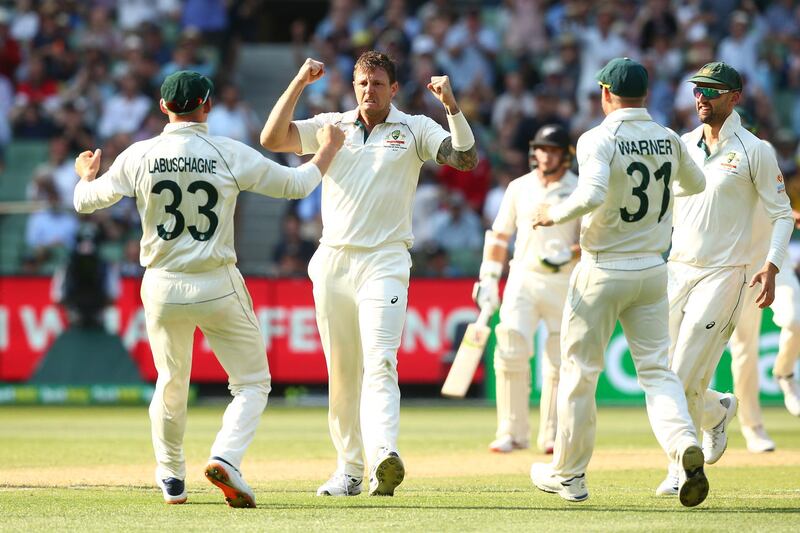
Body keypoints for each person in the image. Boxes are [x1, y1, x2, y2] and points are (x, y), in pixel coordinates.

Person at [73, 70, 344, 507]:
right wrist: (327, 150)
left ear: (163, 107)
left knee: (171, 382)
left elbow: (84, 202)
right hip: (216, 281)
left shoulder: (139, 155)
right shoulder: (227, 152)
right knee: (253, 383)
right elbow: (296, 186)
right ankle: (226, 456)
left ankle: (171, 475)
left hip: (161, 285)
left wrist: (86, 175)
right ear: (209, 105)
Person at [260, 51, 478, 497]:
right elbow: (271, 137)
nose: (369, 91)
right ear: (352, 85)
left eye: (378, 83)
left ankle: (384, 454)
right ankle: (349, 470)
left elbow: (464, 158)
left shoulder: (413, 127)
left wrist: (452, 106)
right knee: (342, 373)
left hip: (386, 260)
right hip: (334, 261)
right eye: (362, 82)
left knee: (381, 359)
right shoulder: (332, 127)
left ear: (393, 88)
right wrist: (300, 80)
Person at [529, 58, 709, 507]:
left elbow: (589, 195)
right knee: (657, 371)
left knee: (579, 373)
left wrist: (552, 213)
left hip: (603, 267)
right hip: (652, 267)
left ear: (606, 93)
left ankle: (569, 475)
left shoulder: (598, 137)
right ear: (645, 95)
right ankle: (684, 442)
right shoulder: (668, 137)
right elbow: (697, 183)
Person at [655, 62, 793, 496]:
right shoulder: (681, 145)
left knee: (681, 372)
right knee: (667, 375)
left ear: (734, 97)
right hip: (676, 270)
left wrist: (770, 265)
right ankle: (717, 411)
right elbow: (663, 209)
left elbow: (781, 213)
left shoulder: (755, 150)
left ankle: (680, 467)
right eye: (697, 90)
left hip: (727, 275)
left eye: (712, 91)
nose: (701, 98)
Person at [473, 124, 579, 455]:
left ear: (566, 155)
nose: (545, 155)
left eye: (553, 150)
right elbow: (500, 235)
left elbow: (592, 241)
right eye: (541, 149)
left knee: (558, 359)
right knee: (509, 347)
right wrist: (489, 276)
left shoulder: (580, 189)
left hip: (563, 280)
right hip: (522, 275)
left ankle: (552, 434)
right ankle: (511, 432)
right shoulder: (519, 187)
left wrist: (568, 253)